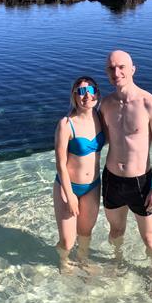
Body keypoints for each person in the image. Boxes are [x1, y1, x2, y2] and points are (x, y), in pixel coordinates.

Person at [99, 49, 152, 265]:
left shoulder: (150, 104)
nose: (116, 72)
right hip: (111, 180)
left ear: (133, 70)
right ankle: (117, 263)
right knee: (116, 231)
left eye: (121, 67)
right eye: (111, 68)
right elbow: (102, 140)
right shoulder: (106, 104)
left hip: (141, 183)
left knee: (150, 238)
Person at [53, 76, 105, 268]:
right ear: (74, 96)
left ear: (97, 94)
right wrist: (69, 195)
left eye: (91, 90)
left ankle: (82, 260)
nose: (86, 96)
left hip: (92, 186)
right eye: (81, 91)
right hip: (68, 187)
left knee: (85, 235)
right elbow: (60, 164)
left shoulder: (100, 117)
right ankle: (63, 262)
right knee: (67, 241)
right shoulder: (66, 124)